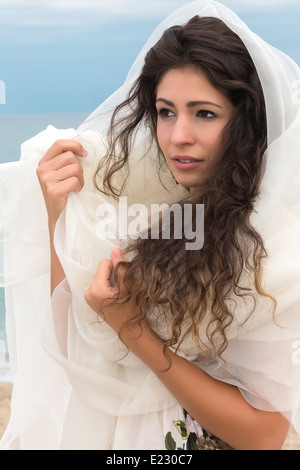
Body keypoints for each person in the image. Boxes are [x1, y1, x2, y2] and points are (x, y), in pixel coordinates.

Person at [1, 0, 300, 450]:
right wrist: (58, 215)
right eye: (165, 111)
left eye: (204, 113)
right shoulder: (167, 217)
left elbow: (265, 433)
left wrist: (133, 329)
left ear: (246, 120)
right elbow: (73, 341)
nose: (178, 135)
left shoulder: (273, 240)